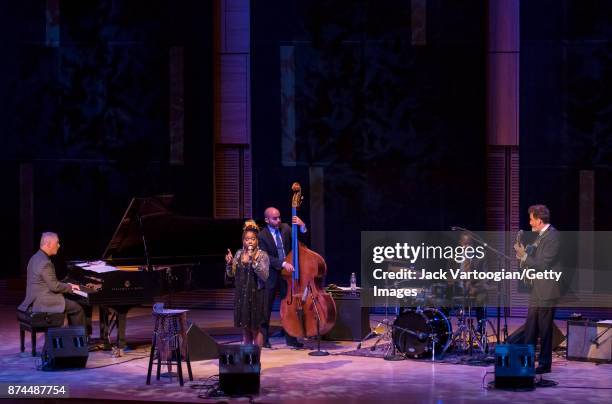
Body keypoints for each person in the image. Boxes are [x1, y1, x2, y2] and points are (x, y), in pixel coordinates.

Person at [514, 204, 561, 374]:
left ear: (539, 220)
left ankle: (544, 364)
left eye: (531, 219)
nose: (530, 222)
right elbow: (533, 259)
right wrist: (524, 255)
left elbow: (543, 264)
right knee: (531, 326)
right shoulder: (541, 236)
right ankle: (526, 359)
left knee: (545, 328)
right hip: (537, 289)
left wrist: (524, 256)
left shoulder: (553, 237)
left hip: (547, 290)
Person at [258, 207, 307, 348]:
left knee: (289, 308)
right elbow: (265, 257)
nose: (279, 220)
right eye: (275, 218)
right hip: (271, 275)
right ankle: (264, 339)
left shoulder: (286, 228)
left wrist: (302, 225)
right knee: (265, 308)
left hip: (287, 275)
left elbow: (299, 239)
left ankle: (291, 339)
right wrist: (283, 263)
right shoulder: (262, 236)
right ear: (267, 220)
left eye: (279, 217)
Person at [18, 232, 85, 327]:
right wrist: (70, 287)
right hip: (44, 301)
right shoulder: (45, 262)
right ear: (48, 244)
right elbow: (54, 286)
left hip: (34, 299)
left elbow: (46, 282)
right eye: (57, 243)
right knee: (77, 308)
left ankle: (72, 336)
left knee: (71, 302)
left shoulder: (35, 257)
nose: (59, 245)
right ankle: (80, 340)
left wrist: (66, 286)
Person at [225, 220, 270, 347]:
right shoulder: (239, 254)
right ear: (243, 240)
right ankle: (248, 359)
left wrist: (253, 261)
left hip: (256, 295)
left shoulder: (262, 255)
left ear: (257, 240)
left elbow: (265, 276)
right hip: (242, 296)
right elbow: (231, 274)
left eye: (253, 239)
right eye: (247, 239)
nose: (250, 241)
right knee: (245, 328)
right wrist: (229, 264)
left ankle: (256, 359)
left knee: (256, 328)